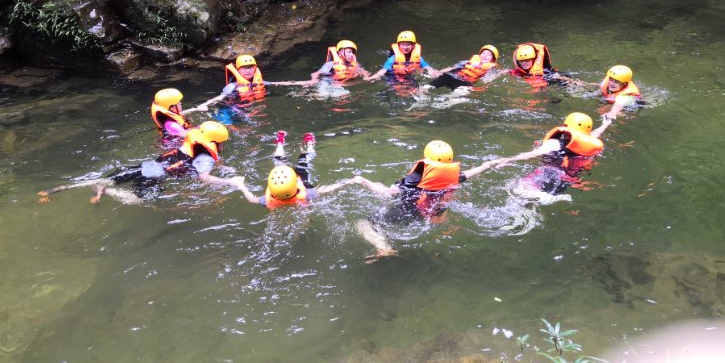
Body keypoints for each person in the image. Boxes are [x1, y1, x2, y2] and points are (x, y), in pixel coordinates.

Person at [351, 140, 503, 262]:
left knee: (363, 223)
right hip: (434, 214)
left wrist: (363, 181)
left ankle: (383, 247)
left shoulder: (415, 178)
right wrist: (489, 164)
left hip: (409, 211)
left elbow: (387, 193)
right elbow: (475, 171)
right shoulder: (454, 176)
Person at [38, 121, 240, 204]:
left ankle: (53, 190)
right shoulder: (205, 157)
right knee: (139, 200)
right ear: (215, 142)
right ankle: (106, 191)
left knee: (106, 178)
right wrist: (230, 182)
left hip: (147, 166)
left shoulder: (191, 141)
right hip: (155, 177)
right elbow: (204, 177)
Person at [492, 112, 612, 196]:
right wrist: (606, 123)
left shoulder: (555, 143)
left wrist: (508, 160)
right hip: (567, 180)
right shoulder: (588, 145)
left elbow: (532, 154)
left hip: (548, 173)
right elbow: (595, 134)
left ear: (566, 126)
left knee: (518, 190)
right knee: (537, 196)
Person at [229, 130, 359, 209]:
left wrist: (241, 186)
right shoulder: (307, 194)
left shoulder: (268, 200)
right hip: (297, 177)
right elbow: (327, 189)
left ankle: (282, 142)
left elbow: (251, 199)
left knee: (298, 159)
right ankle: (305, 143)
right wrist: (349, 182)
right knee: (297, 159)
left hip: (285, 177)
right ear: (295, 185)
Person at [185, 54, 304, 116]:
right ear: (238, 70)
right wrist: (202, 106)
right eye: (245, 68)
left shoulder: (258, 82)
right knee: (242, 117)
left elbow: (279, 84)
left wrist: (304, 83)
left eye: (251, 68)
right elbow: (219, 98)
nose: (248, 71)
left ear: (255, 68)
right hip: (236, 107)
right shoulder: (232, 87)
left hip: (254, 105)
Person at [366, 30, 440, 83]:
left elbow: (426, 66)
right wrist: (372, 77)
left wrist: (431, 71)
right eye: (403, 44)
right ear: (399, 45)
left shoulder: (418, 57)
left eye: (408, 44)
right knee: (398, 90)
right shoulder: (393, 58)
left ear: (413, 45)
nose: (405, 47)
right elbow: (383, 70)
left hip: (409, 75)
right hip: (393, 76)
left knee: (414, 90)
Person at [427, 44, 500, 91]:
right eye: (484, 53)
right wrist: (439, 72)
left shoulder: (491, 69)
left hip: (465, 83)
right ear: (480, 54)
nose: (485, 55)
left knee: (460, 96)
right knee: (427, 86)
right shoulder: (467, 62)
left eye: (489, 54)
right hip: (452, 77)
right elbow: (452, 68)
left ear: (492, 59)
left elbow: (487, 80)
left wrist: (475, 88)